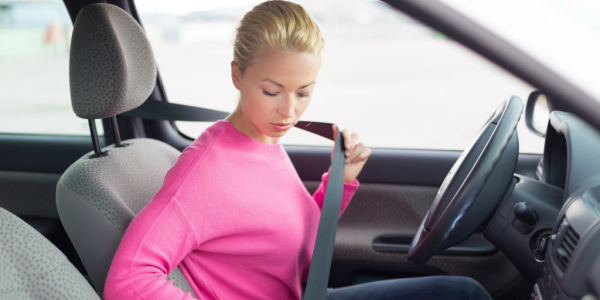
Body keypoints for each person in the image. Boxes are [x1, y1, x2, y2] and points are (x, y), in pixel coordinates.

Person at [104, 1, 492, 299]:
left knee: (461, 291)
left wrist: (341, 182)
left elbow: (298, 250)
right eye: (271, 91)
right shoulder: (204, 172)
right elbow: (127, 280)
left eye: (304, 92)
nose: (289, 111)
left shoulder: (263, 141)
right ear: (237, 75)